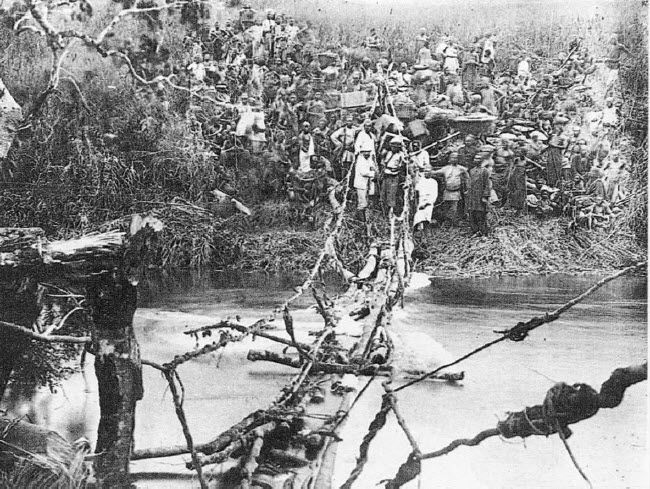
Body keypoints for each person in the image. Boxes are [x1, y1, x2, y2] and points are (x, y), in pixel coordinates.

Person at [431, 152, 468, 226]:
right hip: (447, 191)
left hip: (456, 192)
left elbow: (467, 178)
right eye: (452, 157)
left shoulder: (461, 169)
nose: (454, 159)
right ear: (449, 159)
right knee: (446, 207)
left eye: (456, 158)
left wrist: (467, 188)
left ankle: (454, 222)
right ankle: (446, 222)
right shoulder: (446, 168)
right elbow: (435, 172)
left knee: (454, 208)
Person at [466, 153, 493, 236]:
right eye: (475, 159)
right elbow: (469, 182)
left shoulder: (485, 171)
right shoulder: (471, 171)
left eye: (478, 159)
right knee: (472, 213)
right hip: (472, 196)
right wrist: (467, 191)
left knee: (480, 214)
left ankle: (483, 231)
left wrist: (485, 196)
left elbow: (487, 184)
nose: (476, 160)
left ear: (481, 160)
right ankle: (475, 230)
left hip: (480, 195)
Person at [380, 136, 407, 215]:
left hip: (394, 176)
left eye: (396, 146)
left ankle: (390, 212)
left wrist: (398, 168)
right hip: (386, 174)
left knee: (391, 194)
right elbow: (382, 160)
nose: (394, 148)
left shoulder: (401, 154)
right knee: (383, 192)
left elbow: (404, 164)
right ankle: (383, 211)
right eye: (393, 146)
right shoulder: (388, 153)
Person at [330, 115, 357, 180]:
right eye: (348, 121)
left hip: (352, 150)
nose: (350, 122)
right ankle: (343, 180)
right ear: (346, 122)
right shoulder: (343, 129)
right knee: (345, 167)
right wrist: (339, 144)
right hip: (345, 151)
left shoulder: (354, 129)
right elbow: (333, 136)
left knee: (352, 167)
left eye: (351, 121)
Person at [354, 149, 376, 221]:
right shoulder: (360, 160)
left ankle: (363, 216)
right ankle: (360, 218)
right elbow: (363, 172)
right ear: (362, 152)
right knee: (362, 202)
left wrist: (373, 168)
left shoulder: (368, 159)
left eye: (369, 152)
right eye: (366, 152)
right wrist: (373, 173)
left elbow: (372, 166)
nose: (367, 153)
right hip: (360, 183)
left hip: (366, 183)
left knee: (366, 201)